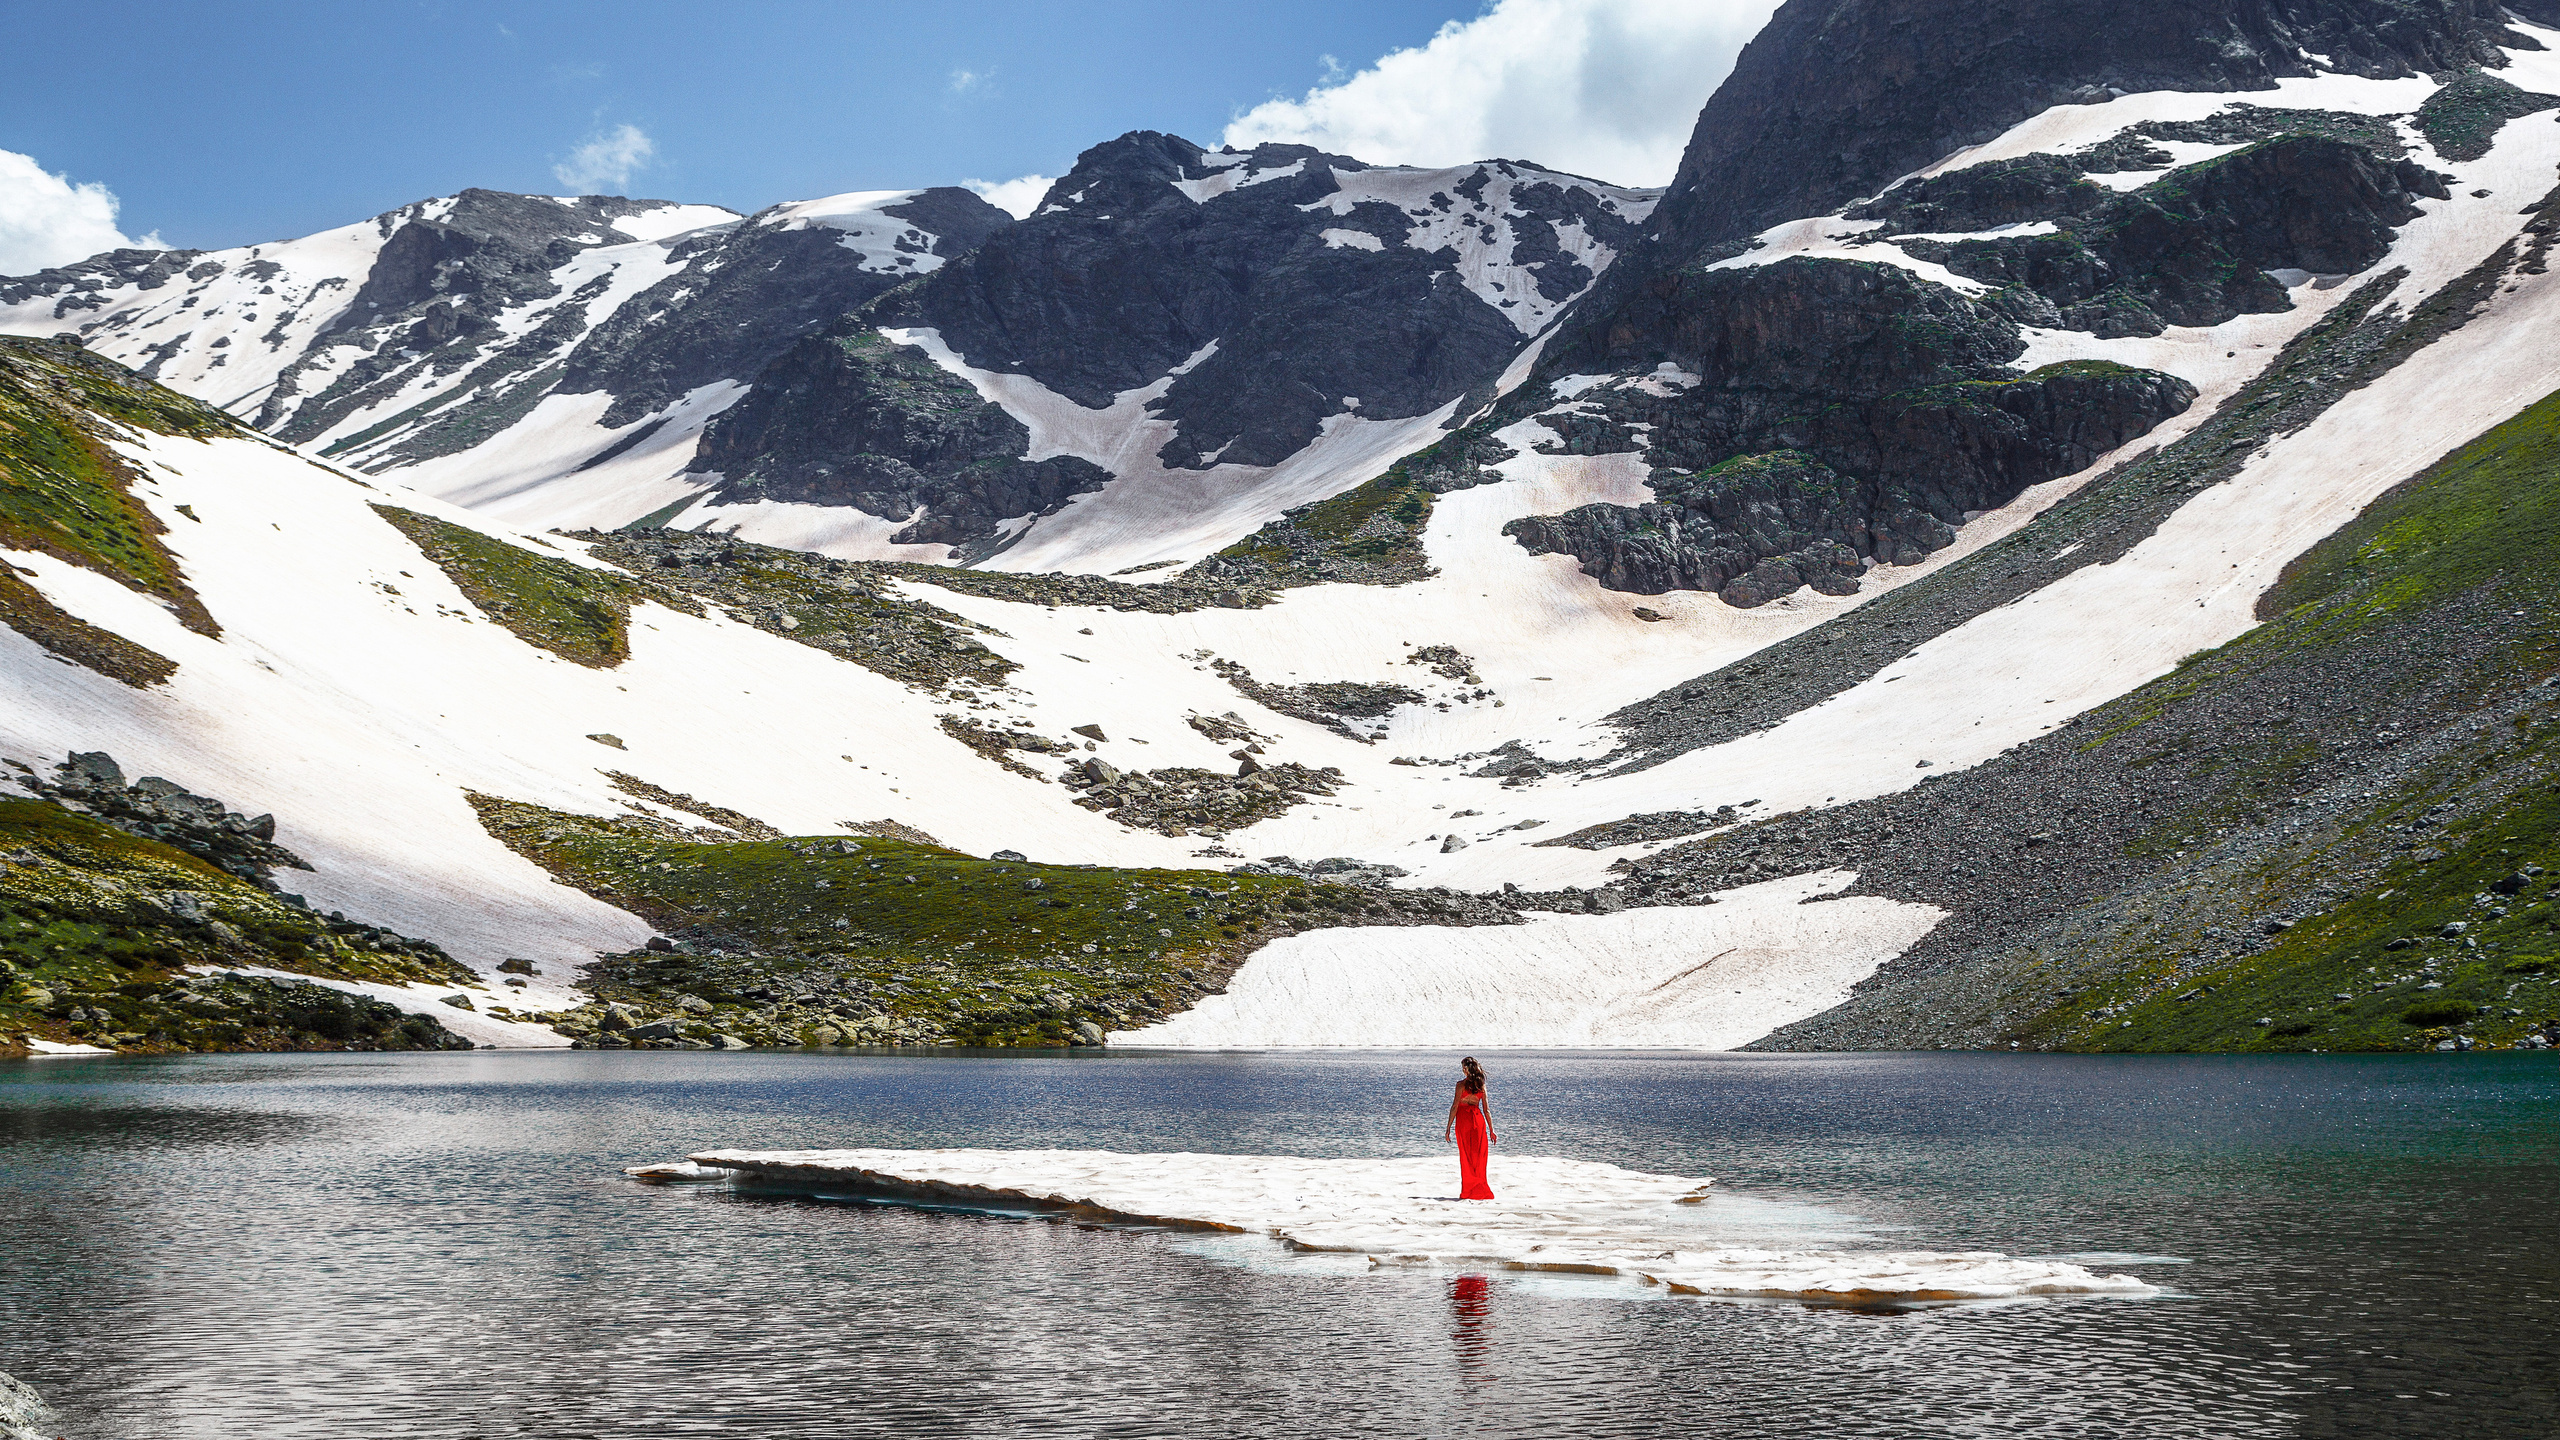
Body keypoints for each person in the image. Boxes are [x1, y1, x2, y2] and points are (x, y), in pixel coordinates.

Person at [1444, 1056, 1497, 1200]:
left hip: (1464, 1121)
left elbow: (1455, 1106)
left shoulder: (1460, 1085)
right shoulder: (1481, 1085)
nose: (1463, 1070)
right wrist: (1491, 1130)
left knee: (1466, 1156)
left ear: (1468, 1069)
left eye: (1464, 1068)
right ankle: (1479, 1189)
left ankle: (1468, 1191)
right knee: (1478, 1156)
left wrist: (1448, 1127)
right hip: (1478, 1121)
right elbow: (1487, 1110)